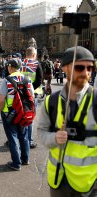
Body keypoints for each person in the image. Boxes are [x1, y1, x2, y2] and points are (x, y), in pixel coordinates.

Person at [38, 46, 97, 196]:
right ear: (64, 68)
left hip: (88, 183)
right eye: (79, 67)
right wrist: (54, 138)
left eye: (90, 67)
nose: (86, 72)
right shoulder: (51, 101)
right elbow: (42, 132)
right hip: (58, 180)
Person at [0, 58, 33, 171]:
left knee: (12, 136)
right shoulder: (27, 79)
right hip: (24, 112)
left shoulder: (7, 80)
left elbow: (1, 100)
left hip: (10, 113)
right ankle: (25, 159)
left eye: (8, 66)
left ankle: (16, 163)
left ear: (10, 67)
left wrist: (2, 110)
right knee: (24, 136)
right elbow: (32, 96)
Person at [20, 47, 43, 149]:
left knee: (20, 117)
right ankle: (29, 140)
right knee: (30, 118)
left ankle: (21, 139)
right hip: (32, 95)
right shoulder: (36, 64)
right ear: (34, 55)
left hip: (20, 94)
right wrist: (30, 89)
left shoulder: (20, 63)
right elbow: (39, 79)